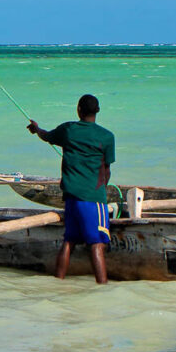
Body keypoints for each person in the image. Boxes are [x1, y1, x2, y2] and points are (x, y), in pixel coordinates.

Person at [27, 94, 115, 284]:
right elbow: (106, 171)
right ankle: (103, 288)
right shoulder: (107, 137)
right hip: (93, 200)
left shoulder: (68, 130)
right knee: (97, 244)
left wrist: (36, 129)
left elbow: (46, 136)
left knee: (69, 241)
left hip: (71, 199)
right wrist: (100, 191)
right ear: (97, 111)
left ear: (79, 110)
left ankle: (58, 283)